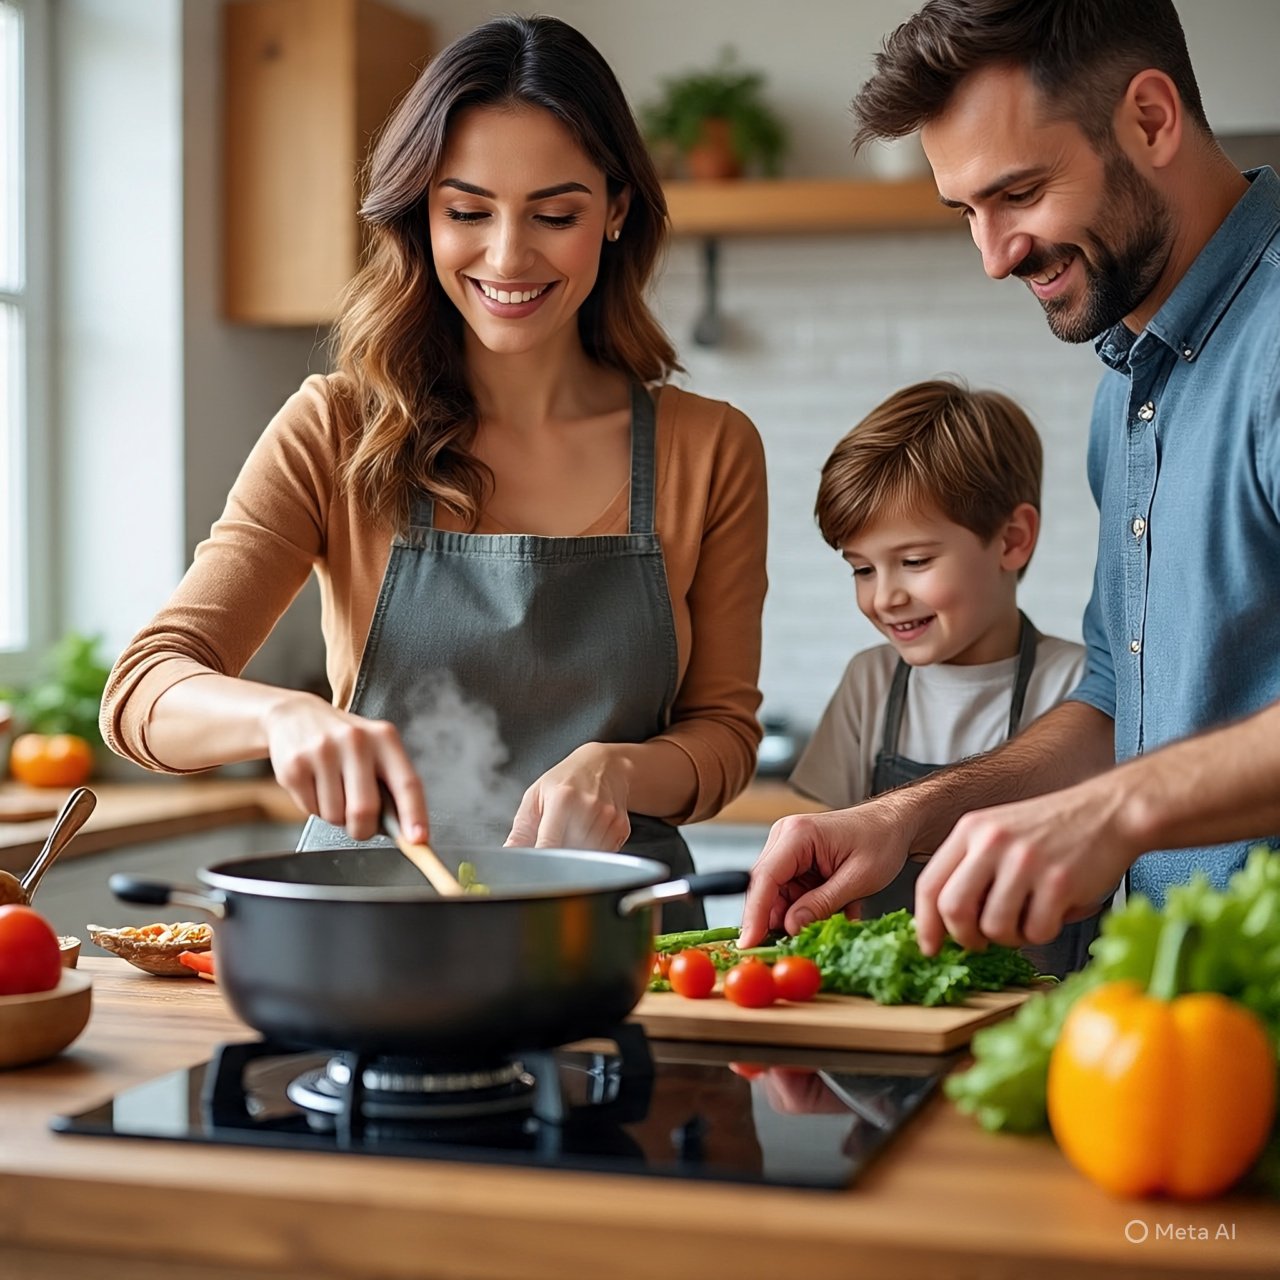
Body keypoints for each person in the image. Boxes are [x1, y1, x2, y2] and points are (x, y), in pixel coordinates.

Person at [100, 15, 768, 931]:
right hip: (365, 940)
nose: (508, 255)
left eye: (556, 214)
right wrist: (283, 719)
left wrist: (620, 768)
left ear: (616, 210)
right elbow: (142, 691)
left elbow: (724, 736)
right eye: (467, 211)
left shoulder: (710, 449)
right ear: (420, 211)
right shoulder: (335, 429)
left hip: (616, 946)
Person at [740, 0, 1280, 955]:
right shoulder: (1131, 385)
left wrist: (1109, 813)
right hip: (1177, 1005)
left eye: (1020, 193)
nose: (993, 257)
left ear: (1151, 119)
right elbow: (1115, 705)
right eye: (966, 213)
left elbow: (1117, 782)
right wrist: (904, 817)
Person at [787, 379, 1093, 975]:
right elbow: (823, 869)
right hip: (887, 1010)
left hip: (1040, 1006)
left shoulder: (1079, 688)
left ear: (1012, 541)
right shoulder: (869, 683)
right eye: (862, 569)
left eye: (914, 561)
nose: (885, 597)